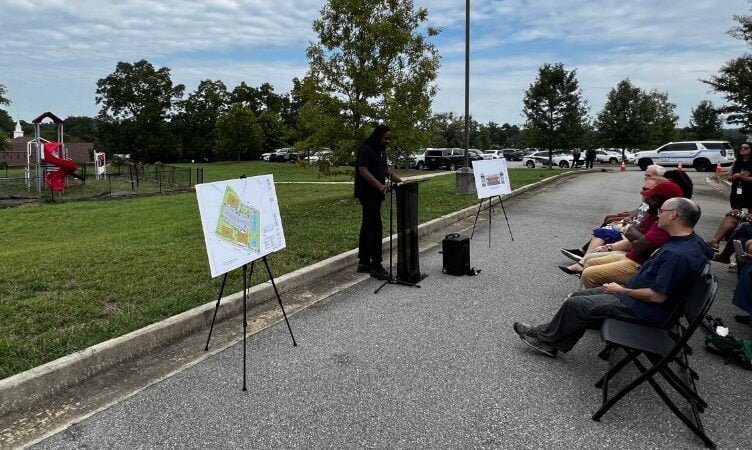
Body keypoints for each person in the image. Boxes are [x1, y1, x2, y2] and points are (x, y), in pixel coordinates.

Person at [514, 197, 712, 358]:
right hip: (636, 297)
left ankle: (548, 342)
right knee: (576, 297)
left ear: (674, 216)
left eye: (662, 211)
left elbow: (657, 296)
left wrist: (622, 290)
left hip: (644, 309)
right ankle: (547, 333)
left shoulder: (678, 255)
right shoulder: (694, 242)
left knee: (576, 305)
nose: (658, 214)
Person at [354, 124, 402, 280]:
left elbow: (385, 171)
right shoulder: (366, 149)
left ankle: (364, 262)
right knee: (376, 228)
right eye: (385, 138)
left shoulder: (381, 151)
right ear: (378, 136)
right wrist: (380, 186)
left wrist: (400, 181)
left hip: (376, 194)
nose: (388, 141)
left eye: (389, 138)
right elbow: (363, 170)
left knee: (367, 226)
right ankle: (376, 266)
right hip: (367, 194)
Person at [708, 142, 752, 250]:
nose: (743, 149)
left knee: (750, 214)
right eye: (741, 147)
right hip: (737, 190)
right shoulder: (737, 162)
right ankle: (729, 233)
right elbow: (729, 177)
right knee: (735, 212)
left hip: (750, 191)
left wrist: (743, 177)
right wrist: (735, 176)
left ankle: (745, 232)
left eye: (746, 148)